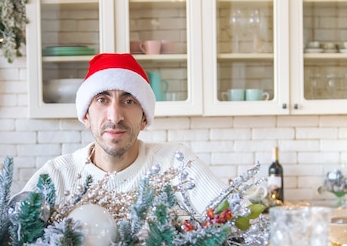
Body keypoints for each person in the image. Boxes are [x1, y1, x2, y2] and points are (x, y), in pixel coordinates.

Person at [22, 53, 228, 218]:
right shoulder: (57, 175)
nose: (115, 116)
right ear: (86, 116)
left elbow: (236, 218)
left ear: (145, 118)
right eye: (102, 100)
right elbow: (7, 237)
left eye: (128, 101)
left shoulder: (176, 164)